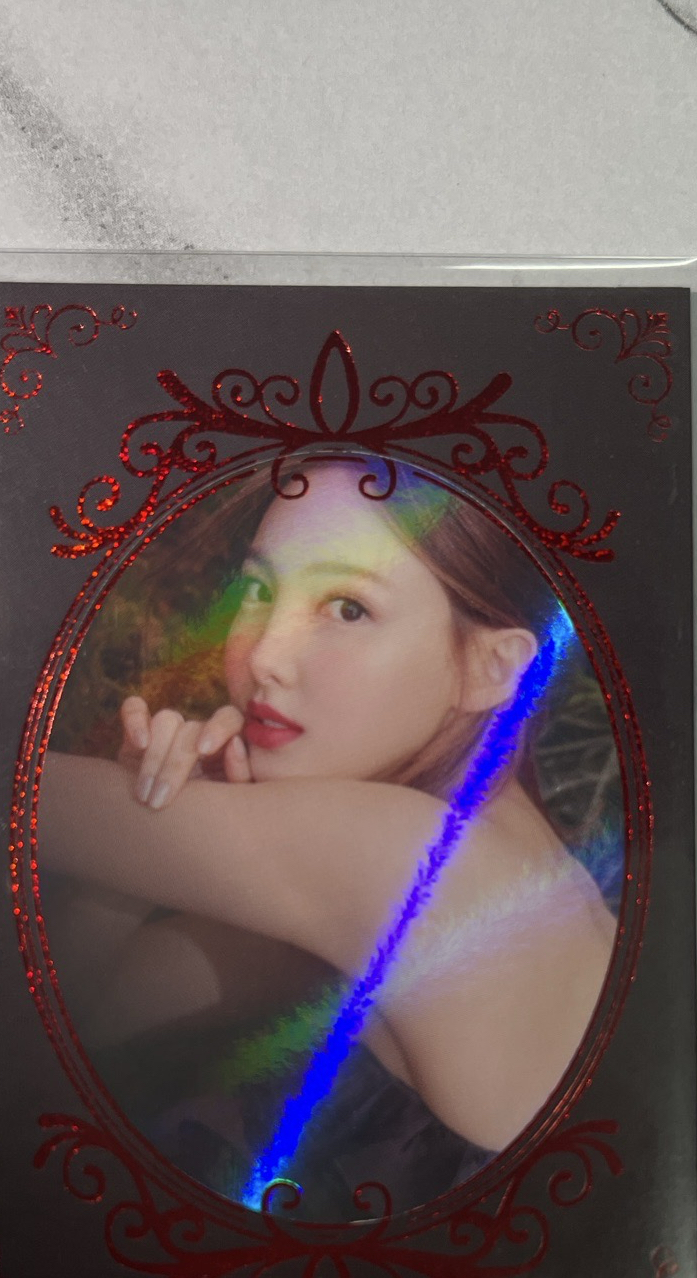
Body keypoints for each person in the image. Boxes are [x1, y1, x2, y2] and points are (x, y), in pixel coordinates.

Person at [39, 454, 617, 1218]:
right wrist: (151, 823)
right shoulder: (474, 856)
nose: (263, 656)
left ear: (490, 669)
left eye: (347, 608)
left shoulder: (414, 859)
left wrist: (144, 819)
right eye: (258, 590)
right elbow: (92, 1011)